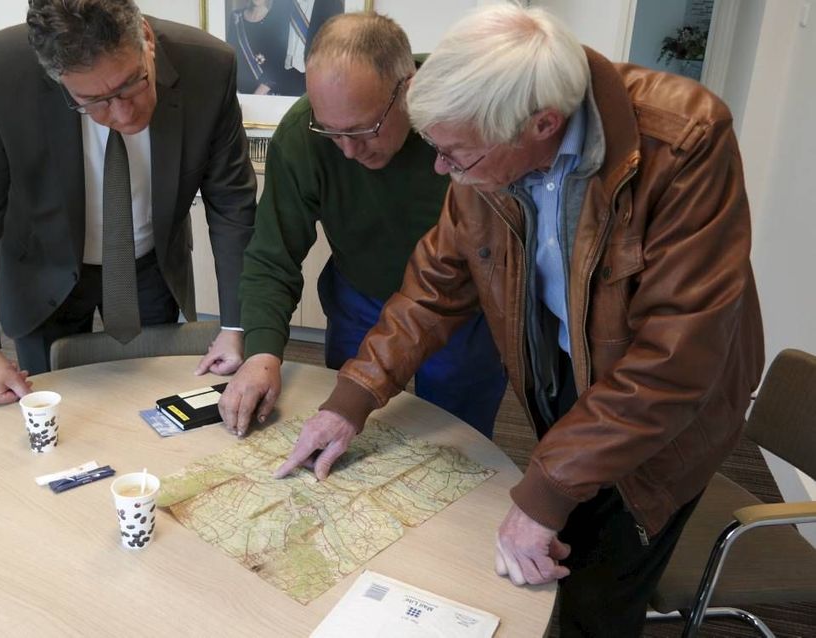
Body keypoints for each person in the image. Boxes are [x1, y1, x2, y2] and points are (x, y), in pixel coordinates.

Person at [275, 5, 764, 636]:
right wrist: (352, 397)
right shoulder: (484, 135)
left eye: (457, 155)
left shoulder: (685, 139)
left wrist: (547, 493)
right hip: (570, 364)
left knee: (597, 594)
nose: (441, 170)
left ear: (543, 125)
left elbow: (675, 360)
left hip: (665, 412)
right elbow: (434, 284)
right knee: (549, 553)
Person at [0, 0, 256, 405]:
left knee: (154, 396)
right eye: (94, 101)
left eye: (132, 84)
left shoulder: (208, 66)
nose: (122, 113)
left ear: (148, 41)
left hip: (150, 264)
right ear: (57, 79)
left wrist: (237, 326)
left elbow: (232, 205)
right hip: (41, 268)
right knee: (52, 408)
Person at [219, 13, 505, 438]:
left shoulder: (463, 117)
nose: (349, 151)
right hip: (360, 296)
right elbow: (272, 255)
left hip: (461, 304)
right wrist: (261, 355)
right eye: (332, 132)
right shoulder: (303, 134)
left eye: (363, 130)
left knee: (453, 438)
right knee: (347, 421)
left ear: (407, 88)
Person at [275, 0, 345, 96]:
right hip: (285, 75)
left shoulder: (331, 3)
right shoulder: (281, 3)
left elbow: (335, 43)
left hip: (317, 76)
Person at [227, 0, 289, 95]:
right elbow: (230, 57)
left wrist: (256, 96)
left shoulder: (276, 19)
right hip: (239, 91)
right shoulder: (236, 17)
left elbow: (277, 64)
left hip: (265, 93)